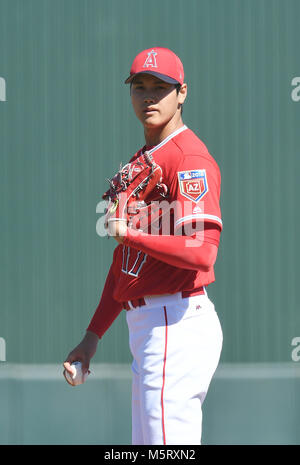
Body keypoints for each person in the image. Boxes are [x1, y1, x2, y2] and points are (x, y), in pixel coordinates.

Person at [63, 47, 223, 445]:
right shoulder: (143, 162)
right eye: (140, 87)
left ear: (182, 93)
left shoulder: (188, 159)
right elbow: (127, 261)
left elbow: (203, 250)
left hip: (175, 319)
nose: (149, 96)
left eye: (161, 87)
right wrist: (93, 335)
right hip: (150, 326)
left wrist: (131, 232)